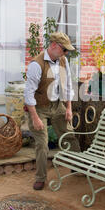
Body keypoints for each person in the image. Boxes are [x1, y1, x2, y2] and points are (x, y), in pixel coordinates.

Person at [24, 32, 81, 191]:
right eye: (64, 50)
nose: (66, 53)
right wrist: (35, 118)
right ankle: (41, 178)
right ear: (54, 45)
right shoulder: (37, 64)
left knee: (70, 135)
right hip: (39, 108)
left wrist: (68, 107)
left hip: (57, 105)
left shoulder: (63, 60)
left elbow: (68, 84)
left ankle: (78, 167)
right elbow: (28, 94)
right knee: (42, 144)